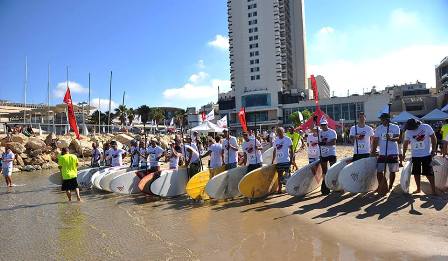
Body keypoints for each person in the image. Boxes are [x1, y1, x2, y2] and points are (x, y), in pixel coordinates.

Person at [402, 119, 438, 195]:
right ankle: (418, 189)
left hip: (427, 155)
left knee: (429, 173)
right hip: (415, 155)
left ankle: (433, 190)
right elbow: (405, 143)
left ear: (417, 125)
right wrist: (403, 154)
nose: (411, 129)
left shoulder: (426, 127)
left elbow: (433, 138)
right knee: (416, 173)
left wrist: (434, 149)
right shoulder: (408, 131)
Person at [371, 113, 401, 195]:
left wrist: (391, 138)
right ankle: (382, 186)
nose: (382, 120)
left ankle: (390, 186)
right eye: (381, 119)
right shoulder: (378, 129)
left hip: (393, 152)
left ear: (388, 119)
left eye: (383, 119)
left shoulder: (395, 127)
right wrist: (373, 151)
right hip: (382, 153)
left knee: (392, 171)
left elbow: (398, 138)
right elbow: (376, 140)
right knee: (379, 171)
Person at [318, 118, 338, 195]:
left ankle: (335, 187)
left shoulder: (332, 132)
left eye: (324, 124)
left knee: (333, 170)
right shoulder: (319, 132)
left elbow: (333, 142)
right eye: (322, 125)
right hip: (323, 154)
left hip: (331, 153)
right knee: (324, 172)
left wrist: (324, 144)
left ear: (327, 124)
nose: (323, 126)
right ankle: (325, 188)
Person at [271, 127, 293, 194]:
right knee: (279, 176)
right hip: (279, 161)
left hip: (286, 160)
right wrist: (273, 160)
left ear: (283, 132)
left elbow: (291, 150)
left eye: (280, 132)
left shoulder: (288, 139)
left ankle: (288, 188)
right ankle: (280, 189)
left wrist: (291, 160)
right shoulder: (276, 140)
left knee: (287, 176)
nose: (279, 133)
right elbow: (274, 151)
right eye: (278, 132)